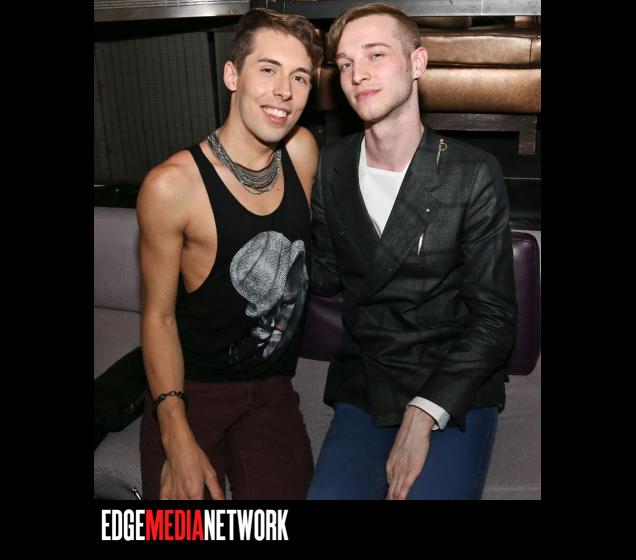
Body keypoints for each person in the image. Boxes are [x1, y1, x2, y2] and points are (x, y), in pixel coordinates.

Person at [307, 3, 518, 500]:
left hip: (453, 380)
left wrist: (425, 411)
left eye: (375, 54)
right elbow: (323, 277)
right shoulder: (332, 165)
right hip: (366, 381)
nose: (358, 74)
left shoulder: (470, 171)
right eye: (345, 63)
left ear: (417, 63)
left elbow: (495, 319)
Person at [135, 8, 322, 500]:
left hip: (272, 388)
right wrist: (175, 431)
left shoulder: (302, 152)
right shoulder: (172, 187)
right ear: (232, 75)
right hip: (193, 389)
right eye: (268, 69)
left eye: (299, 77)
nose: (284, 91)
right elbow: (158, 318)